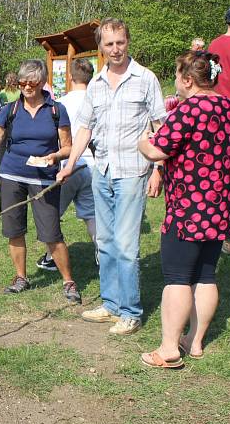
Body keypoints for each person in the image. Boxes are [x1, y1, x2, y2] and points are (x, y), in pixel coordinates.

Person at [57, 18, 167, 335]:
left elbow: (162, 128)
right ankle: (111, 304)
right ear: (101, 48)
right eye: (109, 44)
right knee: (104, 241)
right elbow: (84, 129)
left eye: (120, 42)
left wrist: (158, 169)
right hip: (101, 172)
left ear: (127, 41)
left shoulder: (145, 79)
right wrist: (70, 163)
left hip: (133, 172)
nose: (115, 49)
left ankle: (131, 311)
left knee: (126, 245)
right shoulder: (96, 84)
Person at [137, 50, 230, 368]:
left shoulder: (190, 109)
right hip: (220, 205)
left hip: (189, 207)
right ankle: (194, 342)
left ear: (187, 80)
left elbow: (157, 150)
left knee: (177, 278)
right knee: (206, 275)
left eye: (177, 77)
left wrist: (144, 141)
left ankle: (169, 348)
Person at [0, 59, 79, 301]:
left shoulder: (56, 110)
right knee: (14, 230)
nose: (27, 87)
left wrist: (55, 156)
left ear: (42, 83)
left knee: (51, 233)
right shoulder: (10, 110)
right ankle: (20, 277)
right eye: (22, 82)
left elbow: (69, 147)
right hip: (11, 175)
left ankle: (68, 281)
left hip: (44, 178)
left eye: (32, 82)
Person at [36, 58, 98, 270]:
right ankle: (102, 255)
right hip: (93, 164)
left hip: (68, 164)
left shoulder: (61, 103)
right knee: (92, 214)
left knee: (51, 213)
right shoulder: (98, 100)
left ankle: (50, 256)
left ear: (70, 77)